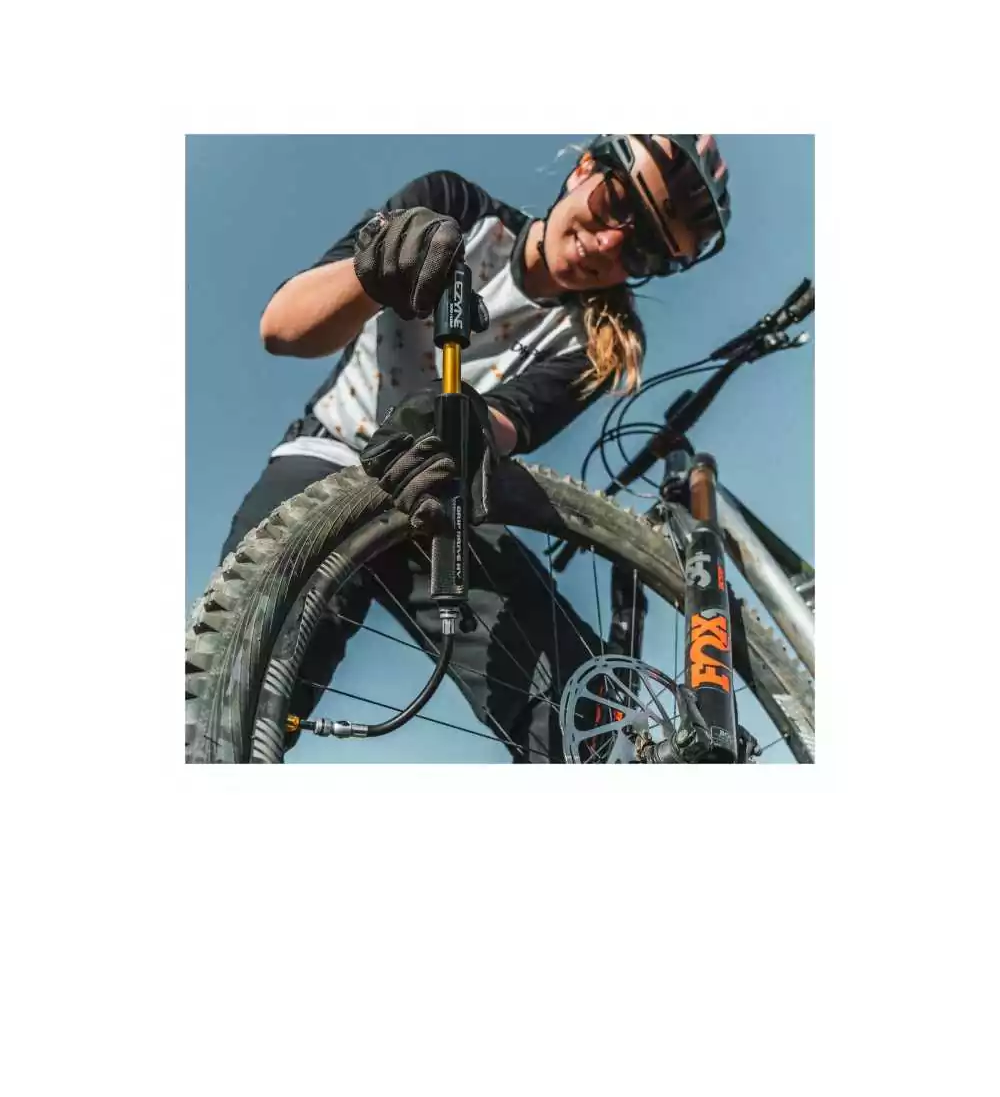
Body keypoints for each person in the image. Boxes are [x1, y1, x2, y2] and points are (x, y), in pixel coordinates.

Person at [219, 135, 732, 761]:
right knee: (243, 682)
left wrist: (462, 426)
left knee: (578, 707)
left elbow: (506, 422)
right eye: (616, 203)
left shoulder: (597, 346)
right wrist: (374, 268)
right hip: (332, 454)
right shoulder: (456, 208)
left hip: (446, 491)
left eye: (643, 249)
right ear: (583, 169)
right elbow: (283, 328)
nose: (608, 244)